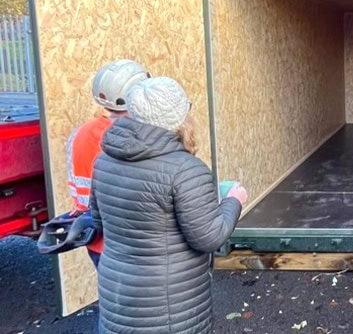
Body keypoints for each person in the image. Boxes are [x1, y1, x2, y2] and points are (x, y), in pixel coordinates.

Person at [90, 76, 247, 334]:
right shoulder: (185, 170)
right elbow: (209, 238)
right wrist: (233, 201)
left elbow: (98, 222)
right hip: (170, 304)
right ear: (179, 117)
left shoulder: (104, 160)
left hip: (117, 293)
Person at [65, 59, 151, 268]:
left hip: (96, 243)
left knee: (113, 298)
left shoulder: (80, 134)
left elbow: (79, 191)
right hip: (130, 247)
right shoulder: (131, 139)